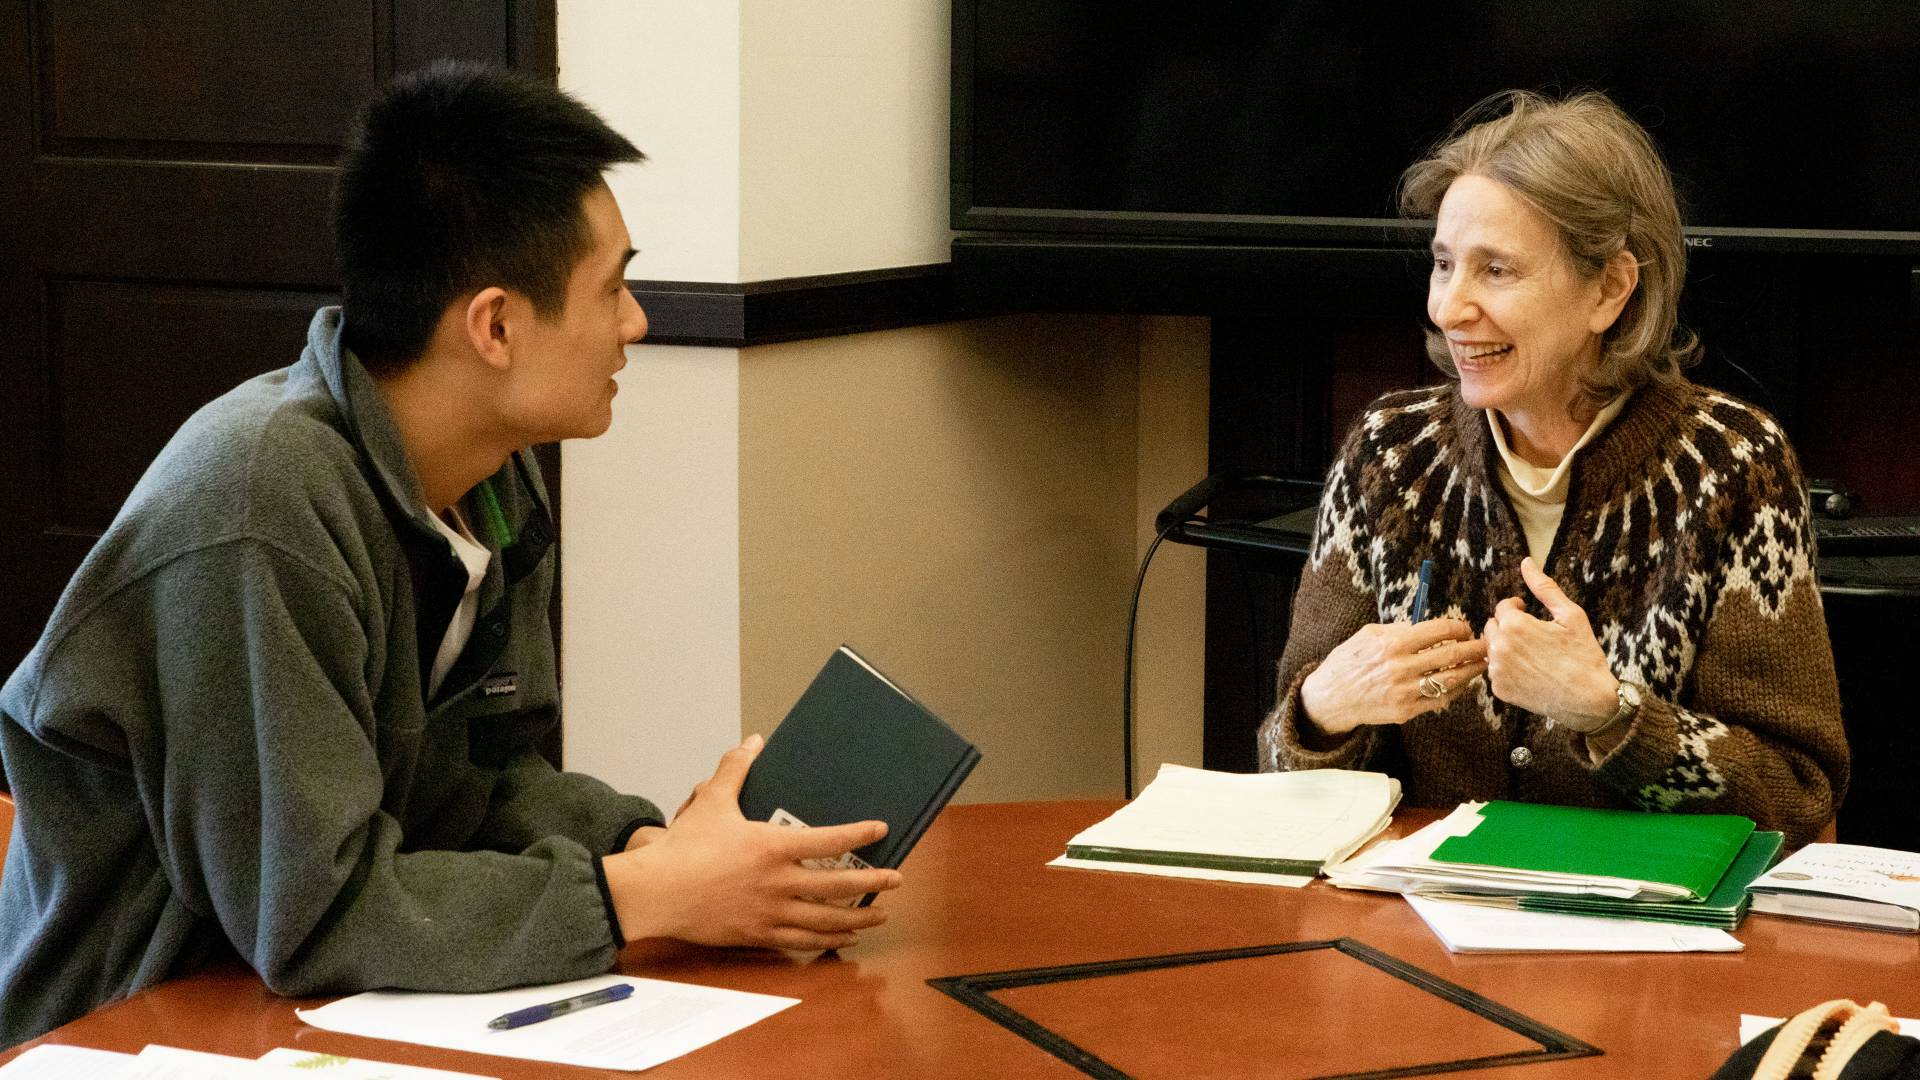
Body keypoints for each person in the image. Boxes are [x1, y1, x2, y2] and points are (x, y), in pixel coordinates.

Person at [0, 62, 899, 1049]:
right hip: (140, 1028)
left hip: (337, 1008)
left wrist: (650, 846)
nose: (636, 323)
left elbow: (486, 785)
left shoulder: (491, 478)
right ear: (496, 326)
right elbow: (310, 916)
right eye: (614, 287)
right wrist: (640, 896)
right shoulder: (260, 507)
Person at [1256, 90, 1847, 845]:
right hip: (1413, 927)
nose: (1450, 307)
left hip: (1641, 946)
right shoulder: (1387, 455)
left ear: (1608, 289)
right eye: (1444, 265)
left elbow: (1799, 797)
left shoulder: (1731, 467)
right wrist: (1320, 712)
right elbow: (1279, 770)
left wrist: (1612, 715)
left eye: (1496, 270)